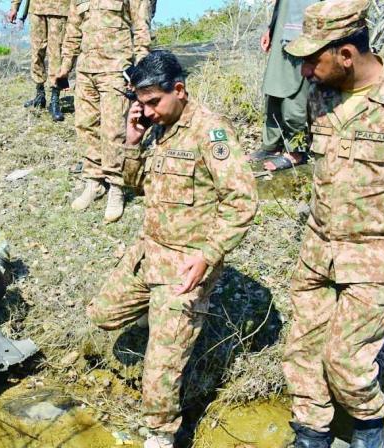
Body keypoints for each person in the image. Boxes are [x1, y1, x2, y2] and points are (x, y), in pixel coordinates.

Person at [86, 50, 257, 448]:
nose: (146, 111)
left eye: (152, 102)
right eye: (139, 103)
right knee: (101, 315)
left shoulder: (210, 132)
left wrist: (208, 255)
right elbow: (133, 184)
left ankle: (161, 434)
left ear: (178, 89)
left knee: (160, 367)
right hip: (149, 251)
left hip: (186, 263)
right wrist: (132, 140)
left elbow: (243, 201)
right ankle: (156, 316)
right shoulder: (158, 127)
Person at [280, 0, 384, 446]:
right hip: (318, 248)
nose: (303, 73)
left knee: (346, 362)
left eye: (311, 61)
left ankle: (369, 426)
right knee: (301, 350)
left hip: (376, 254)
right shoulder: (322, 94)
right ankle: (312, 432)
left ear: (346, 55)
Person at [57, 0, 152, 222]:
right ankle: (94, 180)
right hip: (86, 70)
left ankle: (116, 186)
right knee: (86, 125)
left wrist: (140, 69)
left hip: (115, 69)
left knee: (113, 129)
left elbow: (141, 26)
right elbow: (73, 30)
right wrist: (65, 67)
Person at [251, 0, 318, 172]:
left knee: (294, 92)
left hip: (303, 34)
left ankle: (296, 152)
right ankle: (271, 146)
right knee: (274, 87)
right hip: (282, 30)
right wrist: (271, 29)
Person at [7, 0, 71, 121]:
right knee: (36, 52)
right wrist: (14, 7)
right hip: (37, 8)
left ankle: (55, 99)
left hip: (60, 8)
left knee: (56, 53)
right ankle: (39, 95)